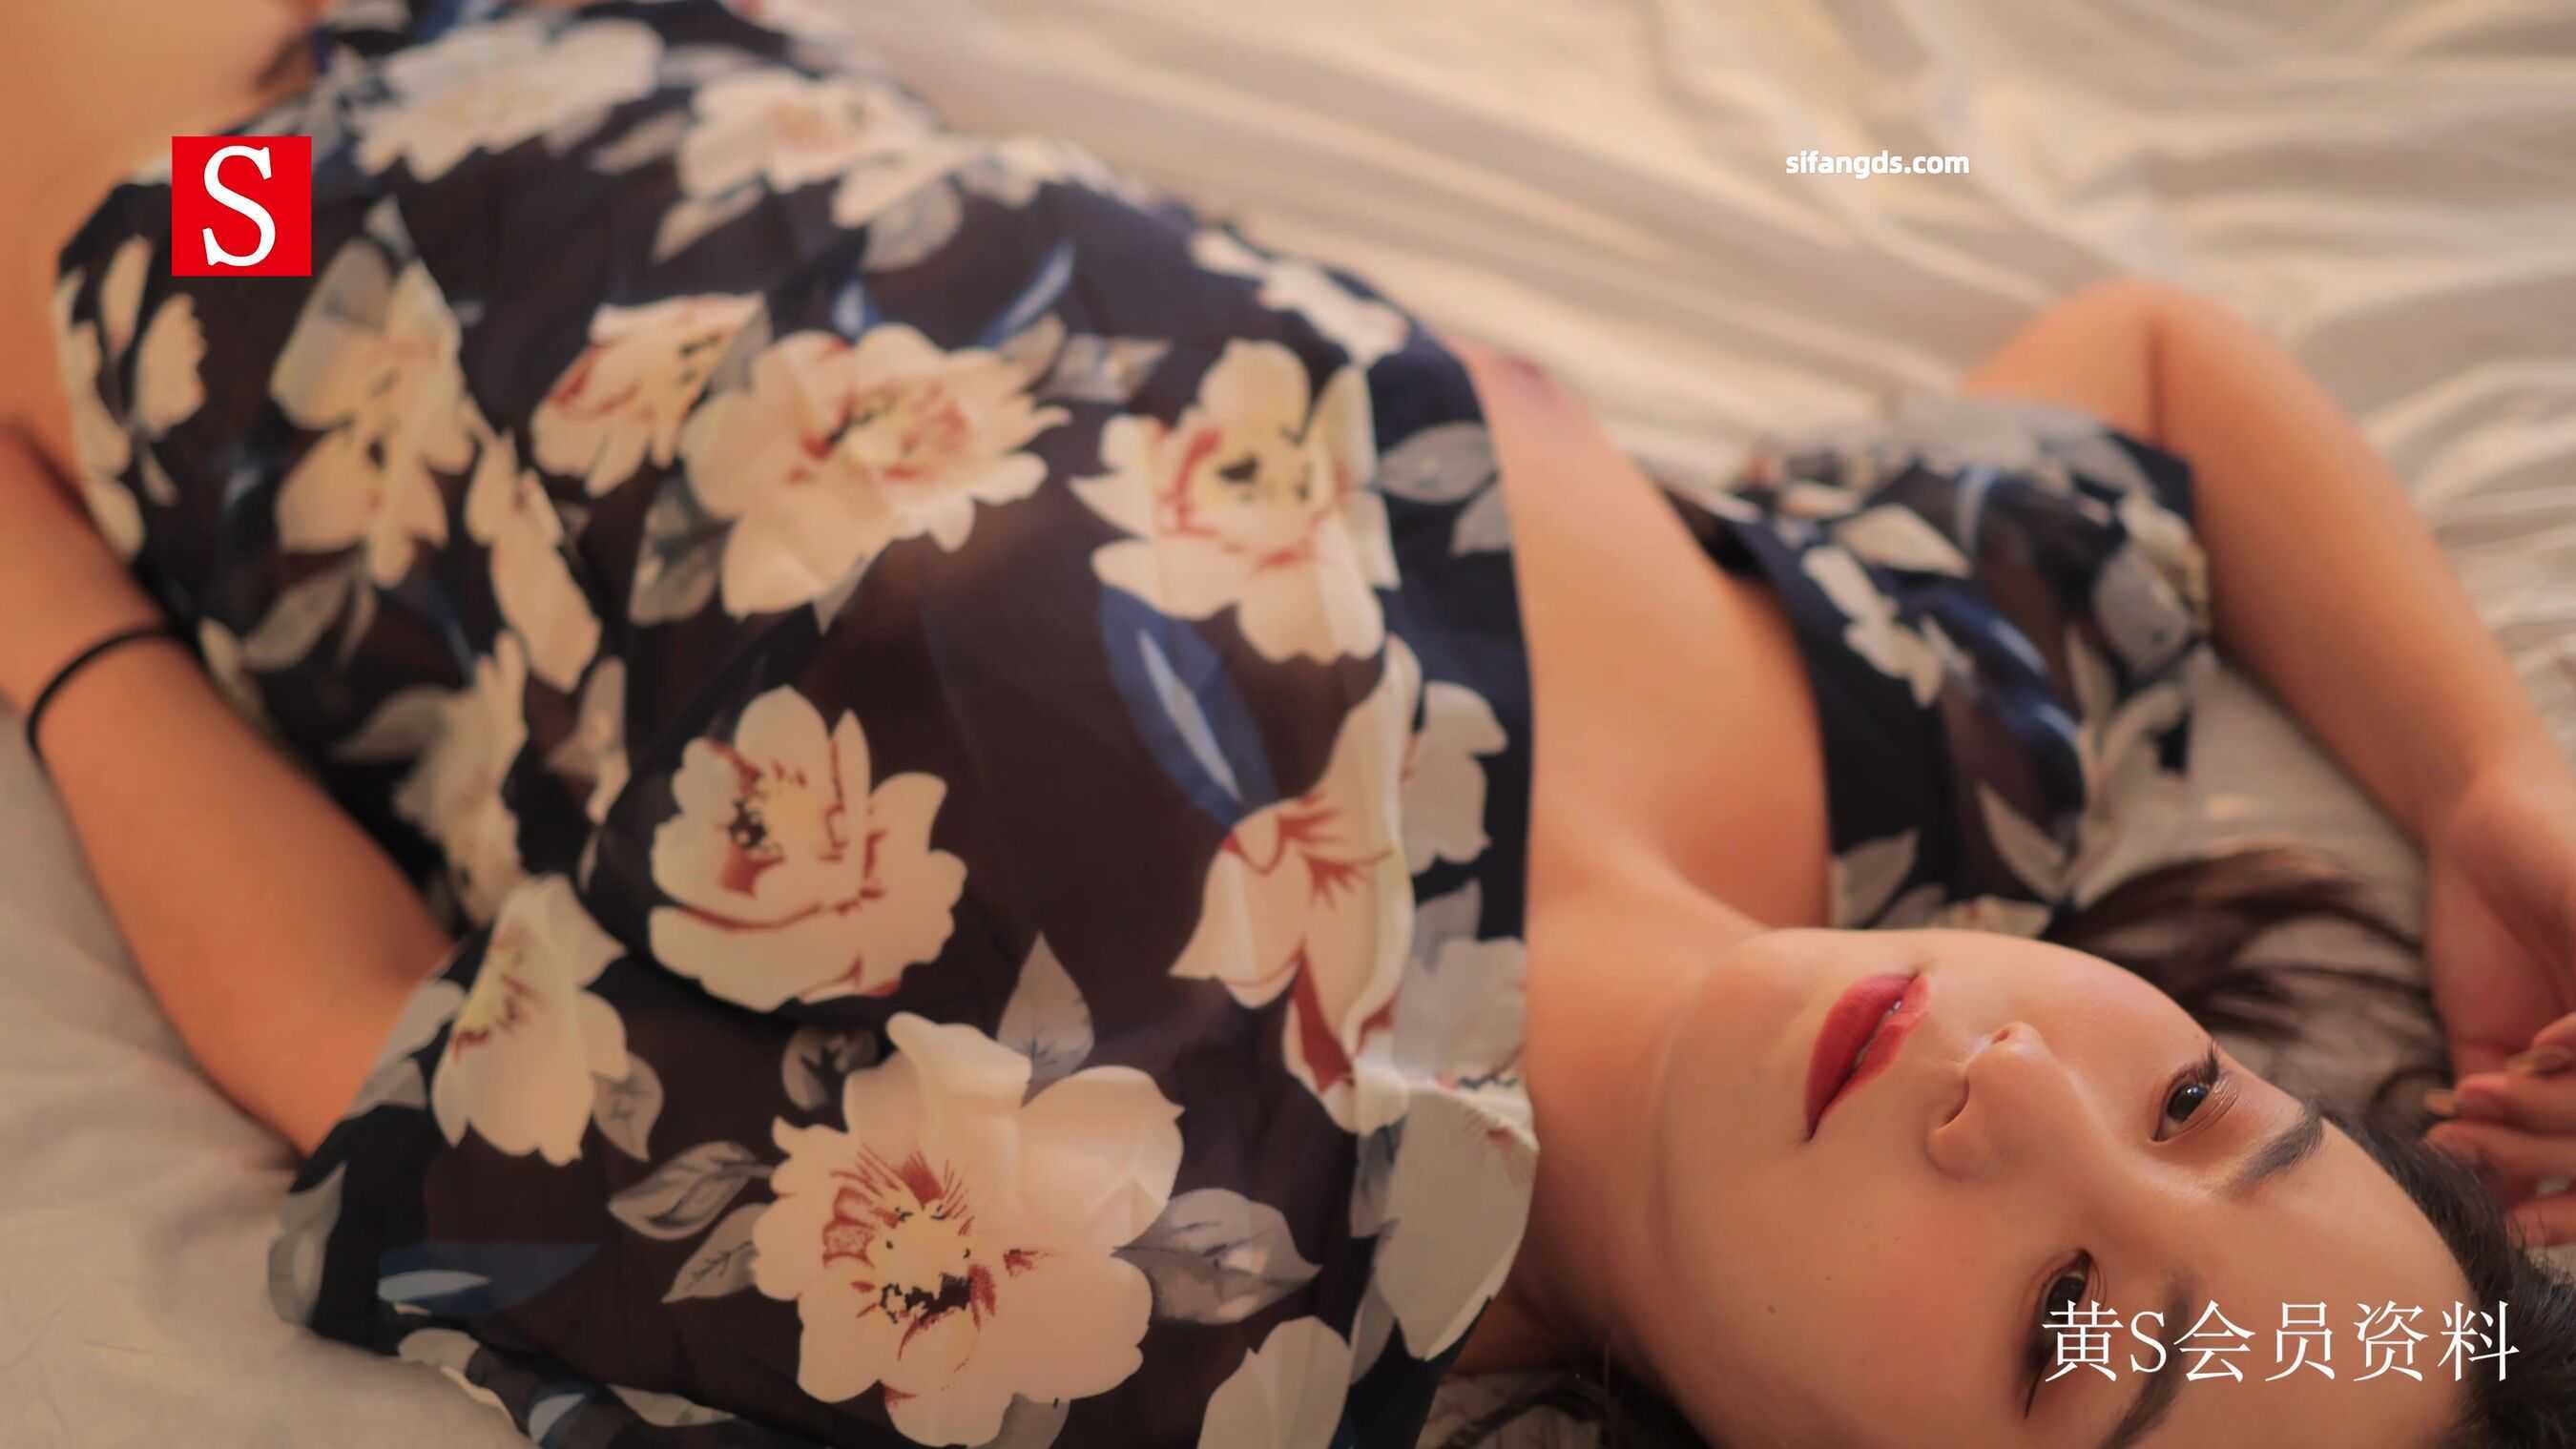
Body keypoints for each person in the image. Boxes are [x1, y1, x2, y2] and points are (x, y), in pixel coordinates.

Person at [6, 1, 2574, 1445]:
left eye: (2070, 1328)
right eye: (2194, 1106)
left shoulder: (1144, 1289)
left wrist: (25, 566)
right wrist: (2489, 781)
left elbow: (365, 1038)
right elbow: (2153, 365)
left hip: (223, 212)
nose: (2017, 1091)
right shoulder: (1909, 729)